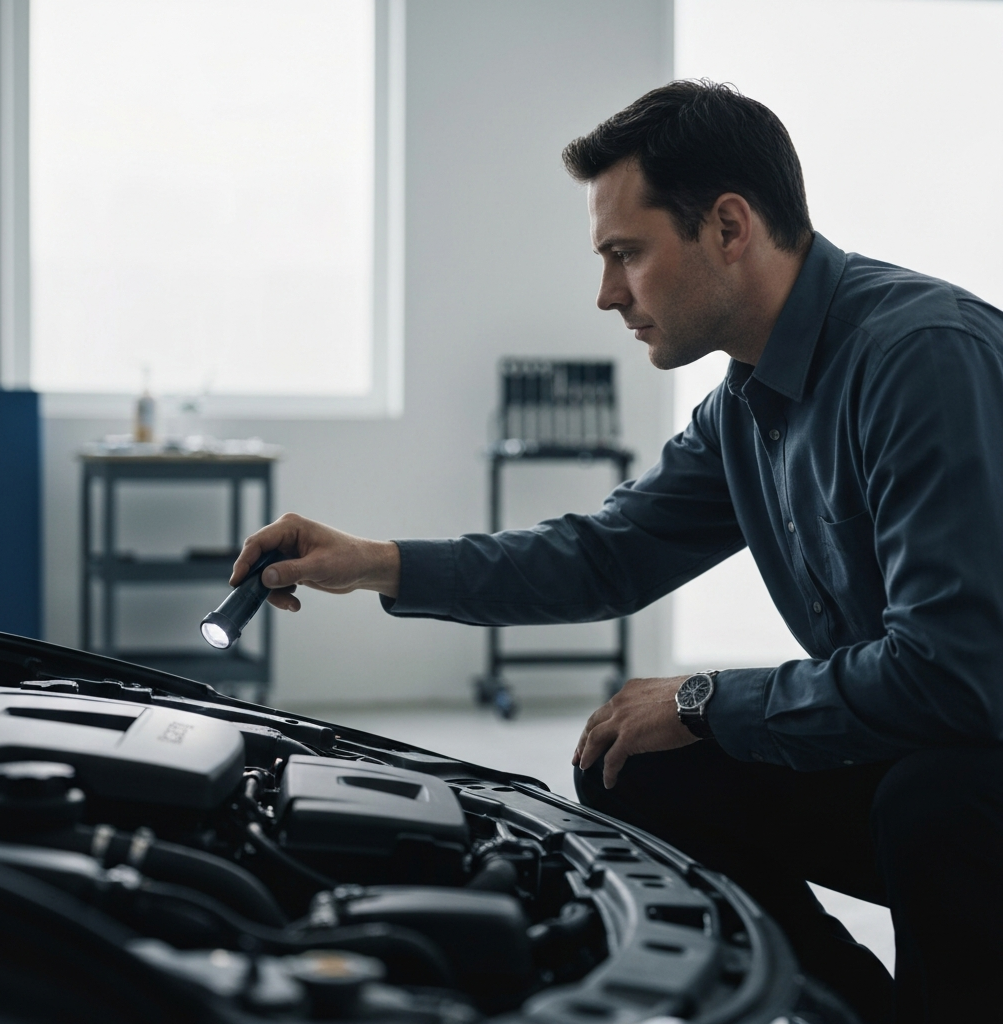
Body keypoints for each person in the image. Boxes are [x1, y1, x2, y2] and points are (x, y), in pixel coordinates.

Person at [230, 81, 1003, 1024]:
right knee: (631, 762)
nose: (606, 295)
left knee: (937, 801)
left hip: (969, 753)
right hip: (925, 741)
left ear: (728, 227)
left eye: (624, 255)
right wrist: (375, 561)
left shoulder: (919, 356)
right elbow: (604, 557)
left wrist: (706, 698)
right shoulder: (746, 408)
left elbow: (958, 676)